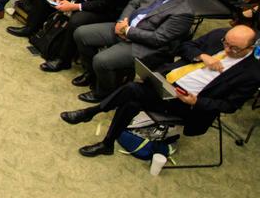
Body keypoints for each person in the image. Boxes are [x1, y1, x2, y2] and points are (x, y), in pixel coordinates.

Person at [62, 26, 260, 160]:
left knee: (132, 92)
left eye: (234, 48)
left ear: (250, 48)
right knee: (132, 101)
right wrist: (202, 55)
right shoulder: (221, 35)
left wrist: (196, 101)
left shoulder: (252, 73)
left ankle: (92, 113)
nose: (227, 48)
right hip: (166, 81)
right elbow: (186, 46)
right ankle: (107, 143)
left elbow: (229, 106)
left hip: (186, 103)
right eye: (226, 43)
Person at [71, 0, 195, 97]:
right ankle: (92, 74)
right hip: (124, 27)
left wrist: (128, 31)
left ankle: (104, 92)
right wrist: (121, 22)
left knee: (101, 60)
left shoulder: (184, 12)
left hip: (145, 45)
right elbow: (134, 4)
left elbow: (158, 39)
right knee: (81, 34)